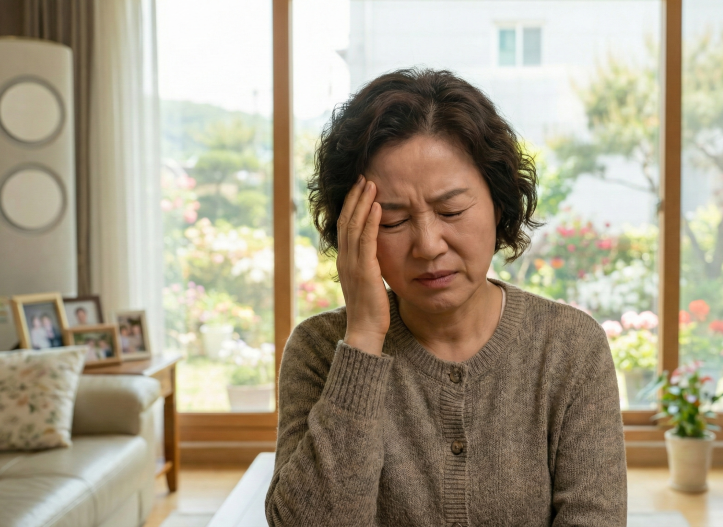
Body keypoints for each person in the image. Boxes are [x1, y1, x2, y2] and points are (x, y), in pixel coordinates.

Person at [265, 69, 627, 527]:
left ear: (499, 203)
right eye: (393, 221)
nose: (429, 245)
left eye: (451, 210)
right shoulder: (320, 350)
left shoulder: (570, 347)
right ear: (354, 231)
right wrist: (361, 341)